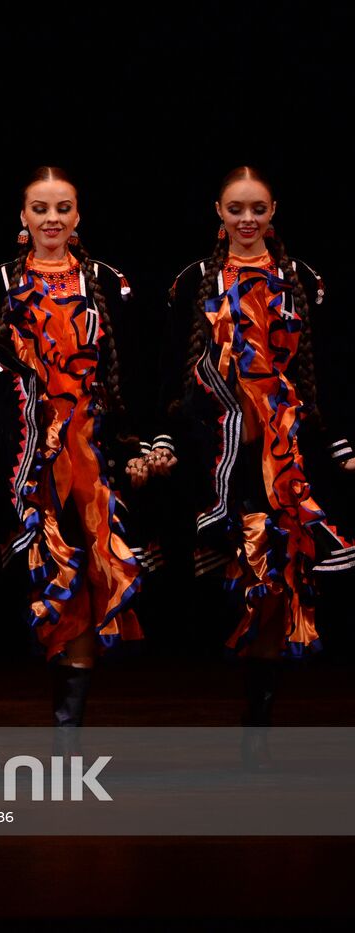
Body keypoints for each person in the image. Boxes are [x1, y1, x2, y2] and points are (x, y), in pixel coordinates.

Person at [164, 166, 353, 764]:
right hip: (219, 449)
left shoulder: (301, 279)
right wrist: (172, 439)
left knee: (279, 568)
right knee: (233, 571)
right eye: (236, 209)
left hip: (286, 447)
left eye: (258, 209)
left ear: (274, 213)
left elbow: (327, 363)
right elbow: (174, 368)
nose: (247, 220)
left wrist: (338, 439)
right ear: (217, 213)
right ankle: (231, 706)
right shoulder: (193, 280)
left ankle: (261, 716)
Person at [0, 166, 148, 731]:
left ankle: (69, 731)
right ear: (23, 218)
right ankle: (61, 719)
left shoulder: (106, 280)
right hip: (25, 455)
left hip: (91, 451)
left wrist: (137, 444)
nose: (52, 219)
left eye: (62, 209)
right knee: (48, 575)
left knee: (88, 570)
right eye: (40, 209)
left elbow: (125, 369)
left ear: (78, 216)